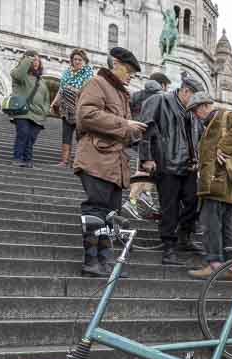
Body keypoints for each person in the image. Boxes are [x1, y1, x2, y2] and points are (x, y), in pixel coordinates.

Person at [74, 46, 146, 277]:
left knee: (109, 213)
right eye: (129, 71)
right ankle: (91, 261)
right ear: (116, 64)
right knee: (96, 208)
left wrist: (135, 131)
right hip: (97, 157)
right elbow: (86, 115)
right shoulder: (96, 84)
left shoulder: (120, 93)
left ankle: (105, 260)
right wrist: (125, 124)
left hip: (114, 162)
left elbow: (118, 126)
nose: (131, 76)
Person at [138, 76, 206, 265]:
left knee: (194, 201)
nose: (196, 103)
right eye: (194, 97)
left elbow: (200, 135)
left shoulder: (192, 112)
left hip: (190, 165)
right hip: (167, 162)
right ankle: (169, 246)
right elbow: (145, 128)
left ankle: (185, 236)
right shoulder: (160, 100)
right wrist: (146, 157)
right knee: (170, 207)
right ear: (185, 91)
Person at [186, 92, 232, 280]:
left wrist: (223, 147)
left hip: (219, 184)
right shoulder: (210, 124)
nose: (195, 115)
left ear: (204, 106)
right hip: (219, 185)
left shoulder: (225, 115)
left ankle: (214, 264)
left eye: (195, 110)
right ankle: (231, 268)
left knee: (211, 226)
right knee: (225, 227)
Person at [51, 49, 94, 167]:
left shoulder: (89, 74)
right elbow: (61, 89)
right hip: (66, 108)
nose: (77, 61)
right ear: (71, 60)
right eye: (75, 59)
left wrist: (73, 90)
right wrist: (54, 103)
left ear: (85, 61)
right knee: (66, 134)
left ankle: (80, 161)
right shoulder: (66, 72)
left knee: (81, 136)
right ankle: (64, 160)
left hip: (81, 109)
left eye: (80, 59)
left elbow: (88, 92)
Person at [9, 51, 50, 168]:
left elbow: (46, 98)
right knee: (23, 134)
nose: (35, 62)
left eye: (37, 60)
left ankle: (28, 160)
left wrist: (45, 111)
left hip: (38, 114)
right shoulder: (20, 75)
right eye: (33, 60)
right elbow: (18, 74)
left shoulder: (41, 81)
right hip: (23, 111)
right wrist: (27, 59)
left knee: (31, 138)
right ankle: (17, 158)